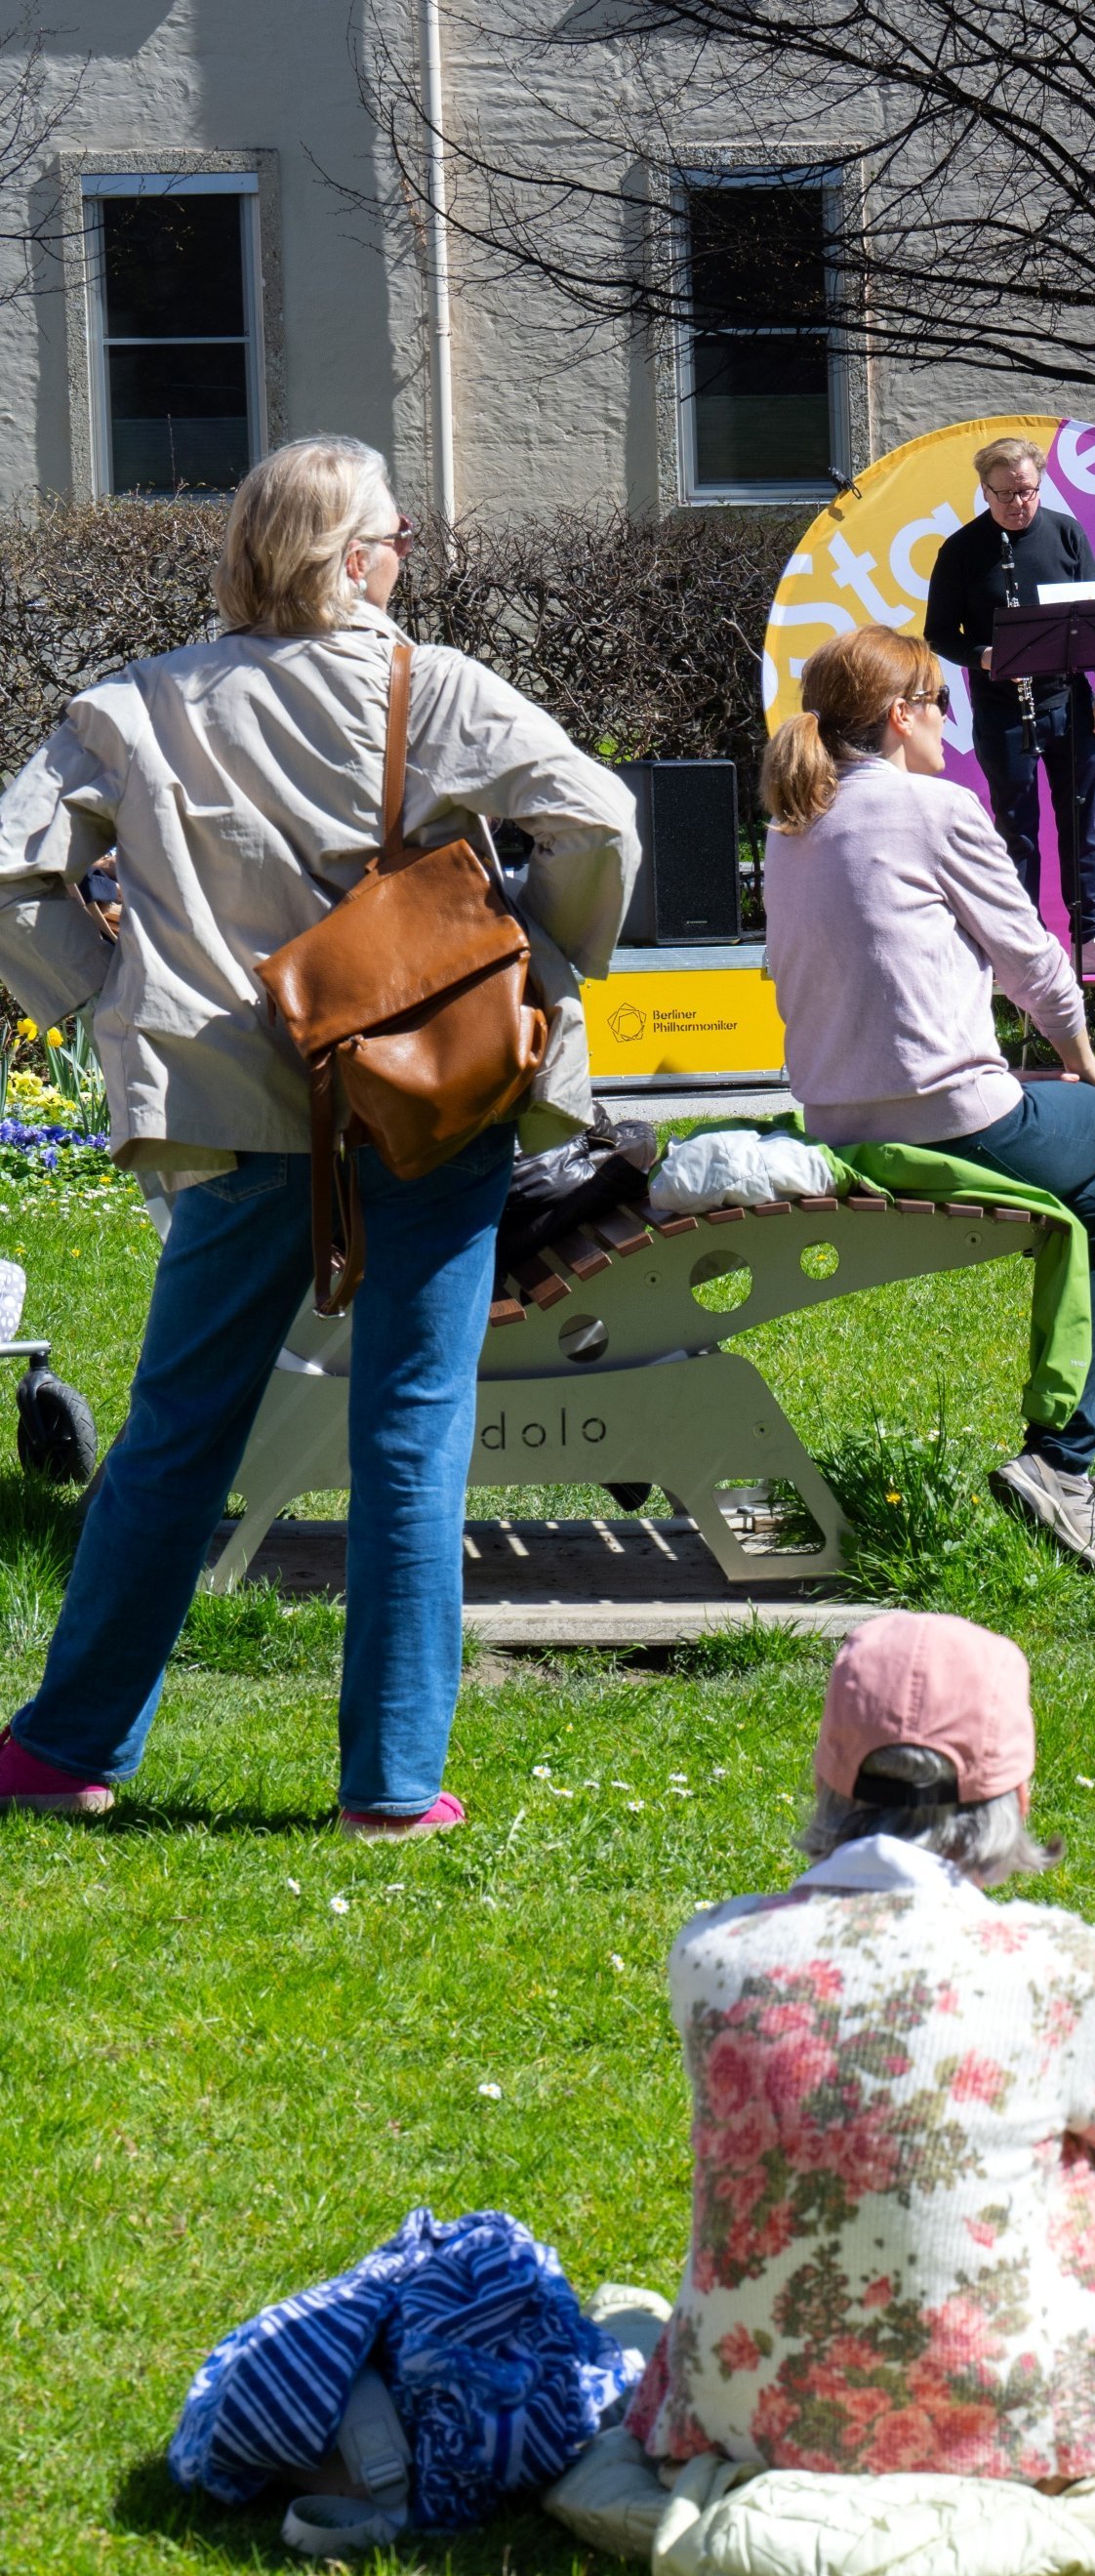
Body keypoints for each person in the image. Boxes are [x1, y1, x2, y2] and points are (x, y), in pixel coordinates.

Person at [0, 434, 634, 1834]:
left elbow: (12, 872)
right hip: (428, 1100)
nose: (407, 555)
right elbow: (601, 815)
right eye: (396, 535)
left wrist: (103, 992)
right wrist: (547, 954)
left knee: (177, 1427)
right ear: (352, 557)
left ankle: (60, 1749)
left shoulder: (139, 705)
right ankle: (393, 1784)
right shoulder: (431, 685)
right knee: (413, 1429)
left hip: (236, 1107)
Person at [629, 1613, 1095, 2481]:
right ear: (1015, 1798)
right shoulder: (1057, 1967)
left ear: (828, 1783)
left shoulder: (715, 1953)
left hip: (746, 2422)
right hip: (1029, 2435)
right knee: (1082, 2113)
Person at [762, 624, 1095, 1583]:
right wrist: (1086, 1064)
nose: (948, 720)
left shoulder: (793, 826)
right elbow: (1031, 958)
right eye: (938, 702)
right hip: (949, 1121)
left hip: (836, 1120)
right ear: (902, 714)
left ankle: (1065, 1459)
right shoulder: (933, 807)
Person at [918, 435, 1095, 979]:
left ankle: (1091, 936)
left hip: (1070, 701)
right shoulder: (962, 550)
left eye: (1028, 491)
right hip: (1002, 710)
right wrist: (986, 654)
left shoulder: (1066, 533)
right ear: (984, 491)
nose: (1019, 504)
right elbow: (939, 633)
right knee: (1016, 827)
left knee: (1080, 821)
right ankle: (1023, 943)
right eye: (1006, 495)